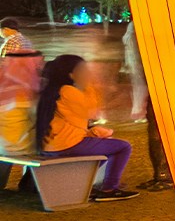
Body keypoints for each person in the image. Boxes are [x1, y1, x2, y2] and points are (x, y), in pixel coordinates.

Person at [36, 55, 138, 201]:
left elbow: (71, 120)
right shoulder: (67, 91)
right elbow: (91, 110)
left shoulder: (49, 90)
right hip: (66, 145)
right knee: (123, 147)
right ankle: (109, 189)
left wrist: (92, 132)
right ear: (71, 74)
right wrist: (88, 85)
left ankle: (87, 183)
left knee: (101, 145)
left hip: (49, 145)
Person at [121, 21, 173, 191]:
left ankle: (165, 176)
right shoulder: (137, 26)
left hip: (164, 89)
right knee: (154, 133)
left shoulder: (154, 28)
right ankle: (159, 174)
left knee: (160, 134)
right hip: (153, 87)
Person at [0, 17, 43, 154]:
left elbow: (5, 64)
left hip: (11, 146)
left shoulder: (10, 42)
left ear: (5, 30)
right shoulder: (26, 40)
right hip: (26, 85)